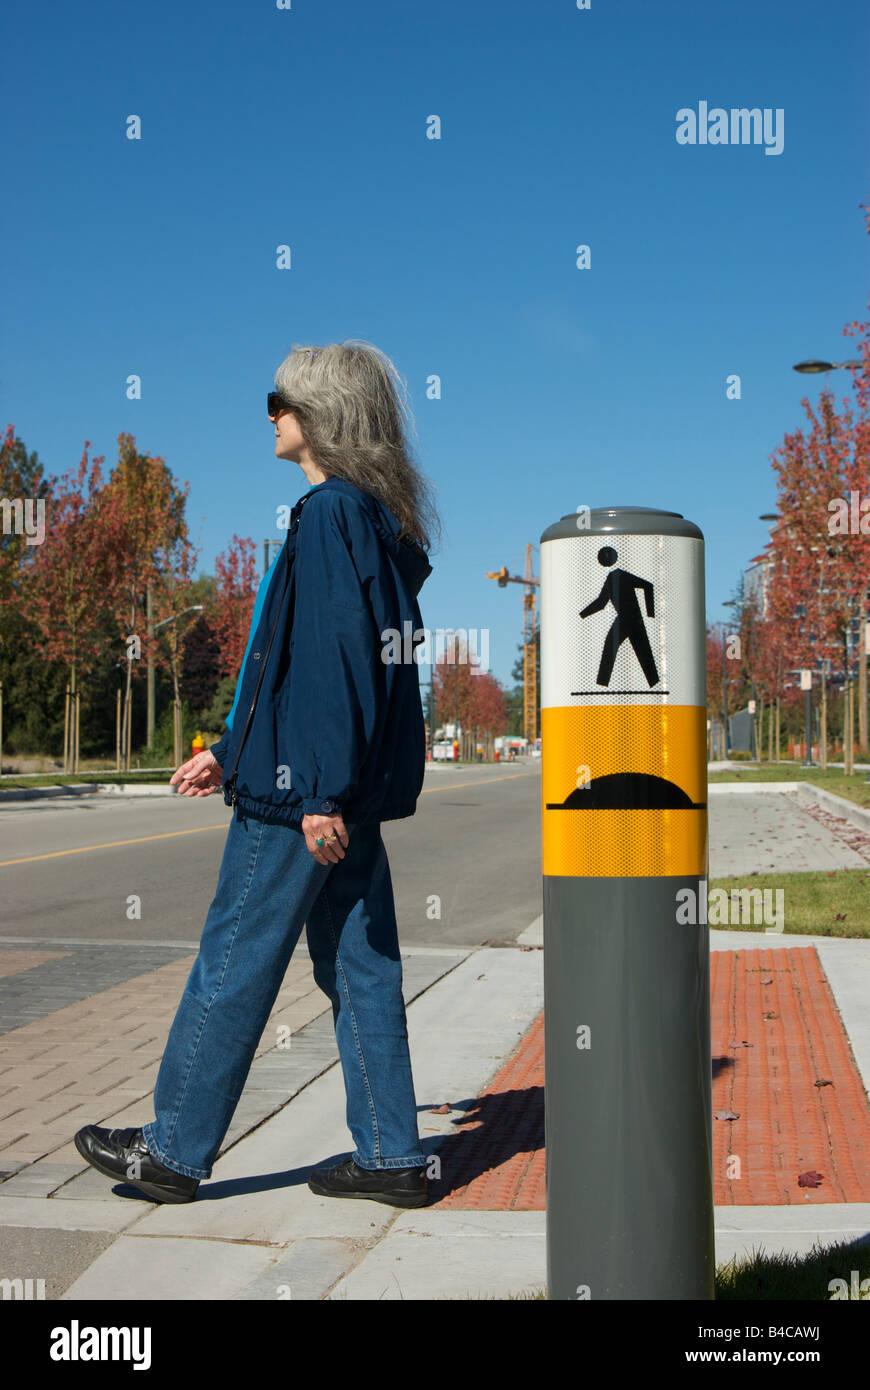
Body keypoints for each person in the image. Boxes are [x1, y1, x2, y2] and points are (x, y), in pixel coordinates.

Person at [75, 340, 440, 1209]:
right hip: (328, 789)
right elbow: (326, 673)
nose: (270, 413)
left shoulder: (327, 516)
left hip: (301, 802)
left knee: (232, 962)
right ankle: (391, 1156)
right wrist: (233, 750)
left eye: (279, 399)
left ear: (322, 415)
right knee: (362, 969)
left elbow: (332, 667)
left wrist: (309, 791)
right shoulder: (374, 522)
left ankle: (172, 1150)